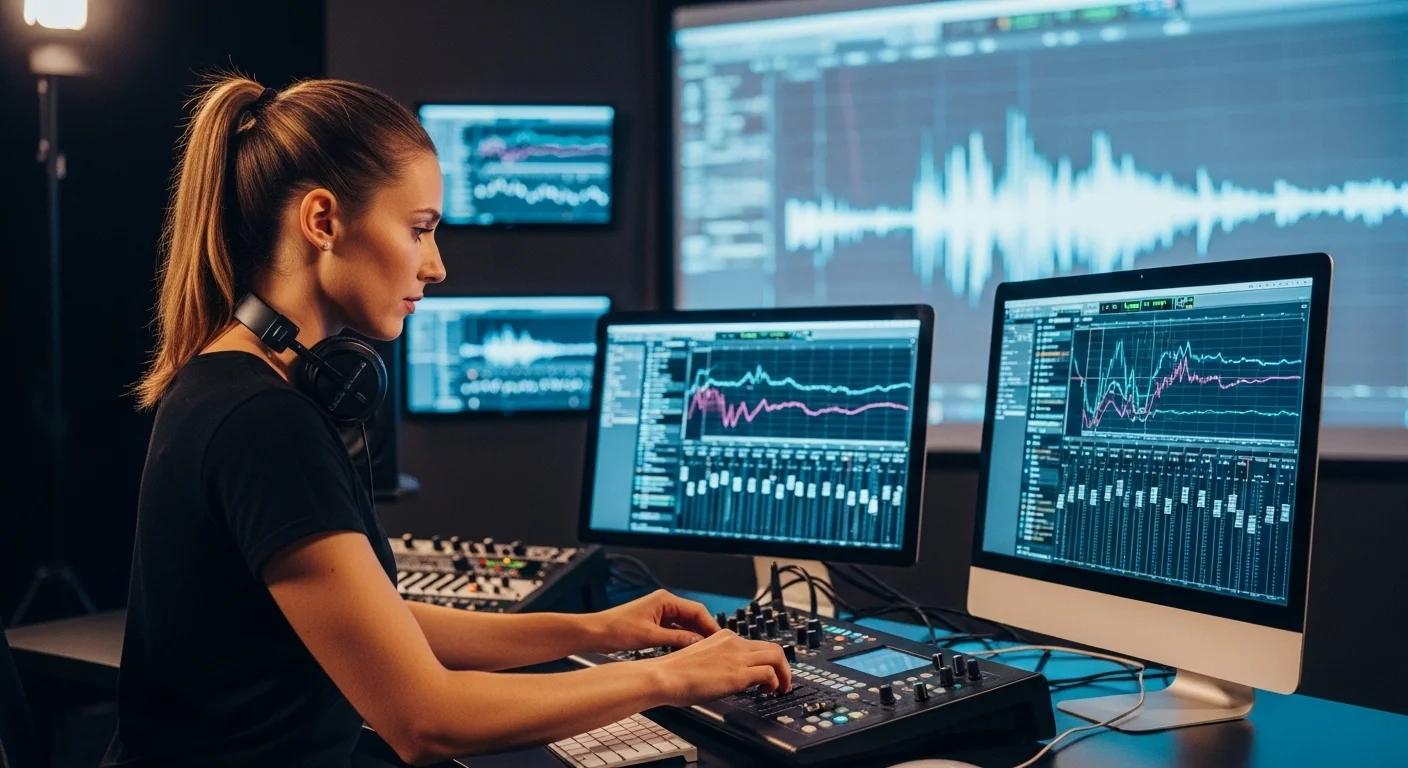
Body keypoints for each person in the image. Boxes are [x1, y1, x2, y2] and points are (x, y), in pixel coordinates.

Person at [104, 73, 790, 768]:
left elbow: (383, 628)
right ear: (323, 221)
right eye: (419, 229)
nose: (436, 266)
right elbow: (427, 718)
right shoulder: (262, 422)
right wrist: (668, 678)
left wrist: (595, 630)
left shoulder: (230, 380)